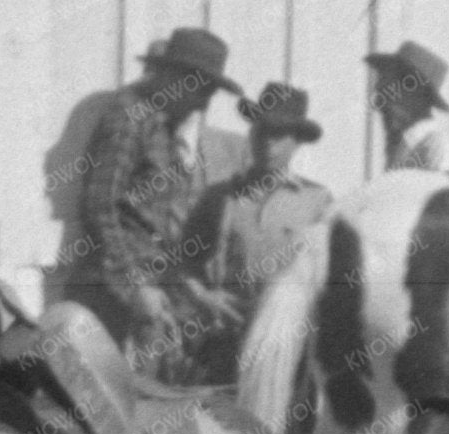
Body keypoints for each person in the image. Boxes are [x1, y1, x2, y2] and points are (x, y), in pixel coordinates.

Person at [65, 26, 241, 380]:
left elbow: (153, 228)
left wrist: (191, 291)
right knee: (115, 402)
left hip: (150, 293)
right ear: (176, 78)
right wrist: (136, 286)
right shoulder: (130, 118)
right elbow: (101, 207)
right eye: (202, 88)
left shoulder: (167, 124)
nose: (206, 103)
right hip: (111, 295)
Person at [186, 83, 336, 365]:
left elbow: (334, 281)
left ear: (297, 140)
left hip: (287, 352)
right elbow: (181, 265)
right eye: (262, 130)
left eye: (279, 134)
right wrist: (203, 296)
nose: (269, 142)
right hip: (221, 345)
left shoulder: (317, 202)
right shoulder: (219, 197)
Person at [369, 40, 449, 176]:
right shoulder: (405, 148)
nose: (377, 102)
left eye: (387, 89)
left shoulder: (439, 149)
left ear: (415, 93)